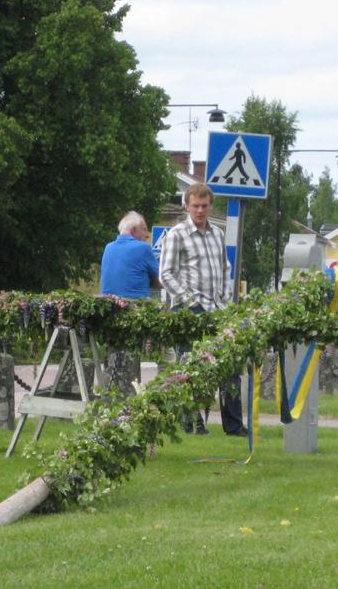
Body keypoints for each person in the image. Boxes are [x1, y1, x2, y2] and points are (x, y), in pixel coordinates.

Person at [158, 183, 247, 436]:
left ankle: (234, 425)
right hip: (188, 311)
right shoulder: (176, 234)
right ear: (186, 206)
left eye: (204, 206)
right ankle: (192, 423)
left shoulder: (218, 234)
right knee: (190, 367)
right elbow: (166, 274)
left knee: (229, 367)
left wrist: (227, 300)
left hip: (217, 310)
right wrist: (189, 301)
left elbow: (226, 269)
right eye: (195, 206)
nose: (200, 210)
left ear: (211, 206)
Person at [99, 211, 160, 300]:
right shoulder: (143, 248)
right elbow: (160, 281)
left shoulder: (108, 248)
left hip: (109, 305)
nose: (147, 235)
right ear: (134, 230)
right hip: (135, 306)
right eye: (144, 229)